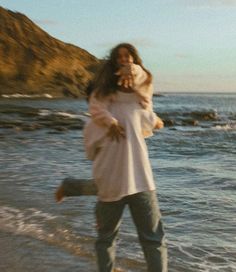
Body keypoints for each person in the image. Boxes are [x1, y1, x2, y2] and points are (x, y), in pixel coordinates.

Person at [55, 43, 168, 271]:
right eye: (120, 58)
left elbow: (149, 110)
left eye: (129, 57)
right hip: (110, 181)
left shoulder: (139, 106)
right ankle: (69, 186)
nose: (125, 61)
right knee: (106, 238)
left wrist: (155, 120)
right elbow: (92, 145)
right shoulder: (97, 119)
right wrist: (110, 126)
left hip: (141, 181)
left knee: (153, 238)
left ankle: (69, 186)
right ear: (112, 66)